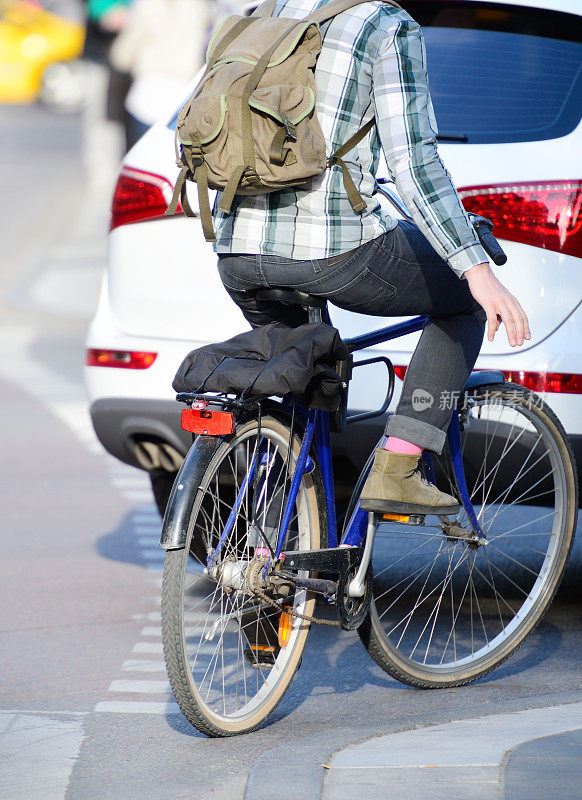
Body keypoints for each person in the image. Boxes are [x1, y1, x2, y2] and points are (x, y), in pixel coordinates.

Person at [213, 0, 530, 515]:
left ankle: (286, 550)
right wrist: (477, 271)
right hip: (330, 251)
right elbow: (415, 162)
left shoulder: (263, 10)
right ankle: (399, 466)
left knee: (300, 380)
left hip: (238, 252)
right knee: (463, 304)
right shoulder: (385, 25)